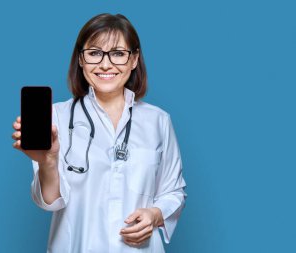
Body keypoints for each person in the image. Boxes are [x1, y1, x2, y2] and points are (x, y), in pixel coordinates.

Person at [12, 13, 186, 253]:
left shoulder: (158, 121)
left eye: (118, 53)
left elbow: (173, 191)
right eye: (94, 53)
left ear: (134, 59)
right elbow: (50, 202)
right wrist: (48, 162)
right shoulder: (57, 117)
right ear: (81, 60)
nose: (105, 64)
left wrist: (155, 214)